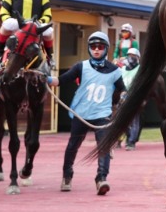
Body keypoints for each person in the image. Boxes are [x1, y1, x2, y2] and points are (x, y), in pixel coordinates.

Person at [46, 31, 125, 194]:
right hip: (81, 114)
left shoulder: (115, 71)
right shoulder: (81, 66)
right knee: (72, 146)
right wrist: (45, 78)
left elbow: (123, 89)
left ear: (106, 49)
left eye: (100, 47)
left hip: (102, 115)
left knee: (104, 147)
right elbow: (59, 81)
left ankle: (101, 179)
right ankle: (67, 176)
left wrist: (125, 96)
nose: (96, 49)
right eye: (93, 46)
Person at [122, 47, 141, 150]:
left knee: (134, 121)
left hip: (134, 98)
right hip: (122, 98)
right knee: (123, 121)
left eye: (133, 56)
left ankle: (131, 142)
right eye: (129, 55)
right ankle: (128, 138)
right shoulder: (123, 69)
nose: (130, 58)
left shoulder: (140, 69)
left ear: (137, 58)